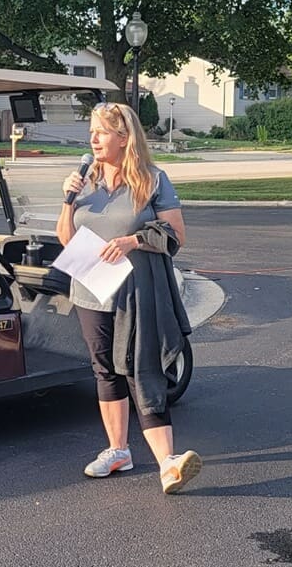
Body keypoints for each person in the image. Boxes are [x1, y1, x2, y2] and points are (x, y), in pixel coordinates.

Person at [56, 101, 201, 494]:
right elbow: (67, 240)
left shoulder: (152, 180)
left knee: (142, 369)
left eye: (101, 131)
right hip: (91, 288)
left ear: (124, 137)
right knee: (104, 369)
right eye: (91, 132)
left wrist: (132, 240)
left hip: (137, 291)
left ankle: (168, 463)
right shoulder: (84, 181)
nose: (93, 139)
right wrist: (69, 199)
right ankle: (118, 450)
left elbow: (177, 236)